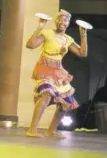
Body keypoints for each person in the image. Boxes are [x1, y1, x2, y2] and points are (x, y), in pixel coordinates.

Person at [25, 9, 88, 138]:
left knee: (66, 103)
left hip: (58, 72)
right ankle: (32, 129)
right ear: (56, 21)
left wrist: (83, 35)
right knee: (46, 94)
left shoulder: (68, 39)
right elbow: (30, 45)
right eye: (59, 19)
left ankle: (51, 131)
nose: (62, 22)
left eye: (65, 20)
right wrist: (39, 27)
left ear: (68, 23)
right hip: (45, 68)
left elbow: (83, 53)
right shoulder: (47, 33)